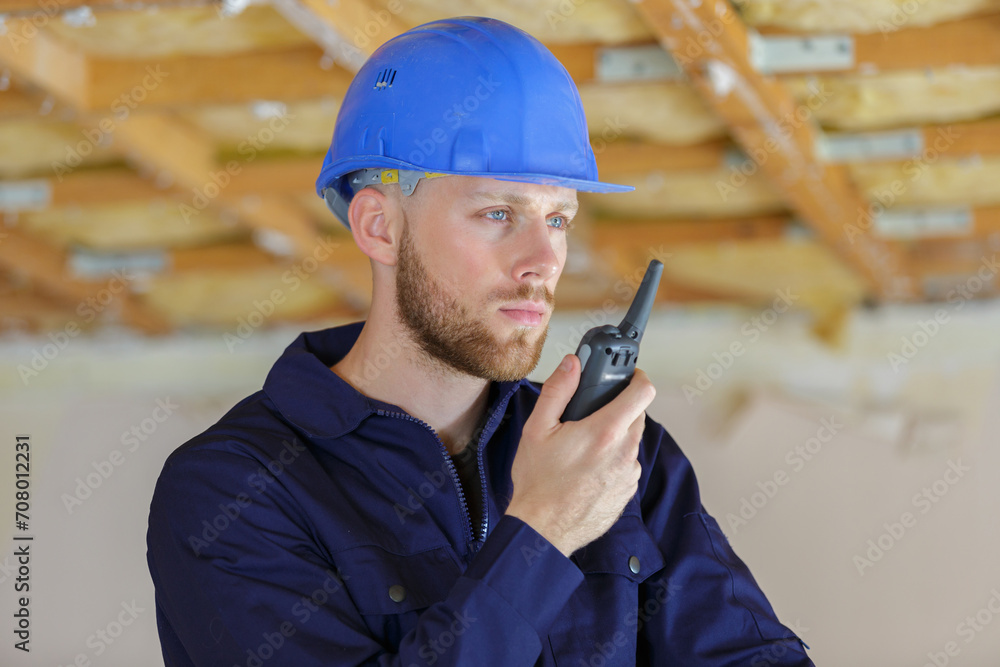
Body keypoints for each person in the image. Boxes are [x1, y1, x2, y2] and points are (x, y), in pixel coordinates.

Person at [146, 16, 815, 666]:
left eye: (558, 218)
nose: (543, 260)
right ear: (379, 226)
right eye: (499, 213)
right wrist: (544, 531)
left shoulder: (614, 456)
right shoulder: (231, 493)